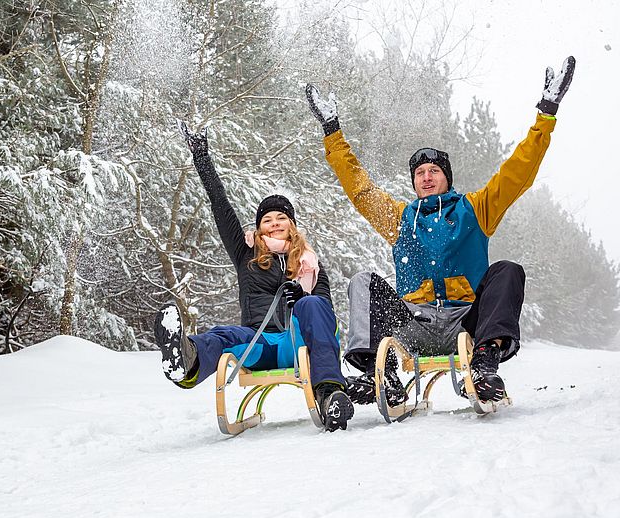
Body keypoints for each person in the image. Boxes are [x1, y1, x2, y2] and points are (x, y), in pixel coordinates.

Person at [305, 56, 575, 406]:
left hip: (467, 320)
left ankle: (484, 364)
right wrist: (332, 132)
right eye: (420, 173)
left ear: (446, 178)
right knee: (362, 281)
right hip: (413, 325)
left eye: (434, 170)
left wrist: (546, 114)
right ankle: (379, 375)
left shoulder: (475, 208)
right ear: (414, 183)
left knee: (508, 271)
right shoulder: (399, 217)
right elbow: (360, 189)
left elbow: (517, 173)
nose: (427, 176)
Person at [153, 121, 354, 431]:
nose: (274, 223)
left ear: (292, 225)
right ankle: (185, 360)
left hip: (298, 343)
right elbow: (221, 207)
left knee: (314, 306)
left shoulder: (310, 262)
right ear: (259, 227)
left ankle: (329, 395)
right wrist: (202, 158)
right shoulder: (245, 253)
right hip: (258, 343)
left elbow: (324, 312)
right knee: (225, 335)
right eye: (267, 219)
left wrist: (303, 297)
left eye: (281, 218)